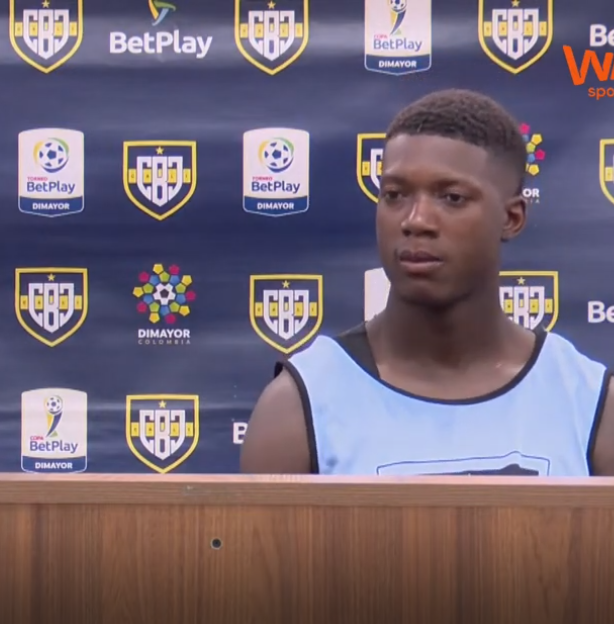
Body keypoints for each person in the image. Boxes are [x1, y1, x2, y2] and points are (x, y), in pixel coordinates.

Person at [240, 89, 614, 476]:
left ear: (512, 218)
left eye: (451, 197)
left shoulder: (590, 405)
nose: (416, 220)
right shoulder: (299, 408)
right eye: (395, 195)